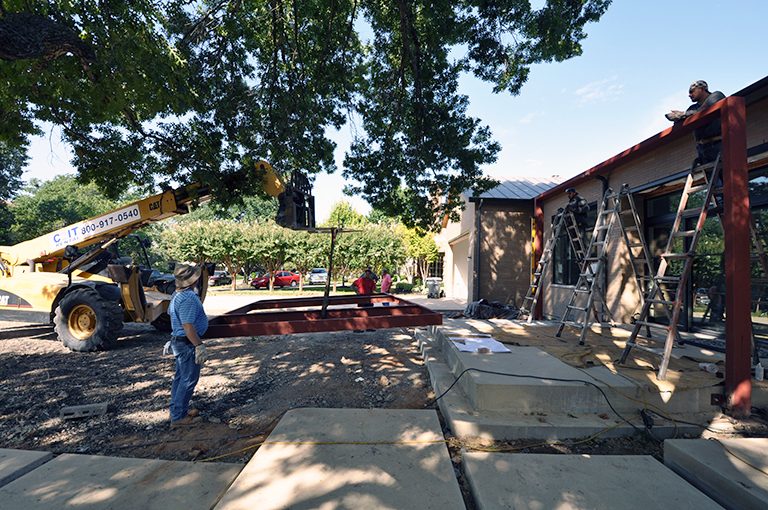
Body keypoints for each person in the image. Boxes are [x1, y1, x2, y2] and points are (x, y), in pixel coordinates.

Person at [168, 263, 209, 428]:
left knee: (180, 378)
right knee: (188, 379)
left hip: (180, 342)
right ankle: (178, 418)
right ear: (194, 280)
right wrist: (198, 345)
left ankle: (178, 411)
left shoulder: (177, 294)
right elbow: (188, 327)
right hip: (186, 343)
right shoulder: (188, 298)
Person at [666, 80, 726, 166]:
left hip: (718, 144)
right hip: (703, 149)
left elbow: (704, 110)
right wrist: (677, 118)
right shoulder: (693, 107)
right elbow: (685, 121)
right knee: (710, 176)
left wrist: (682, 114)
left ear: (701, 89)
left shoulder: (716, 96)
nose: (689, 95)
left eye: (692, 91)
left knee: (724, 173)